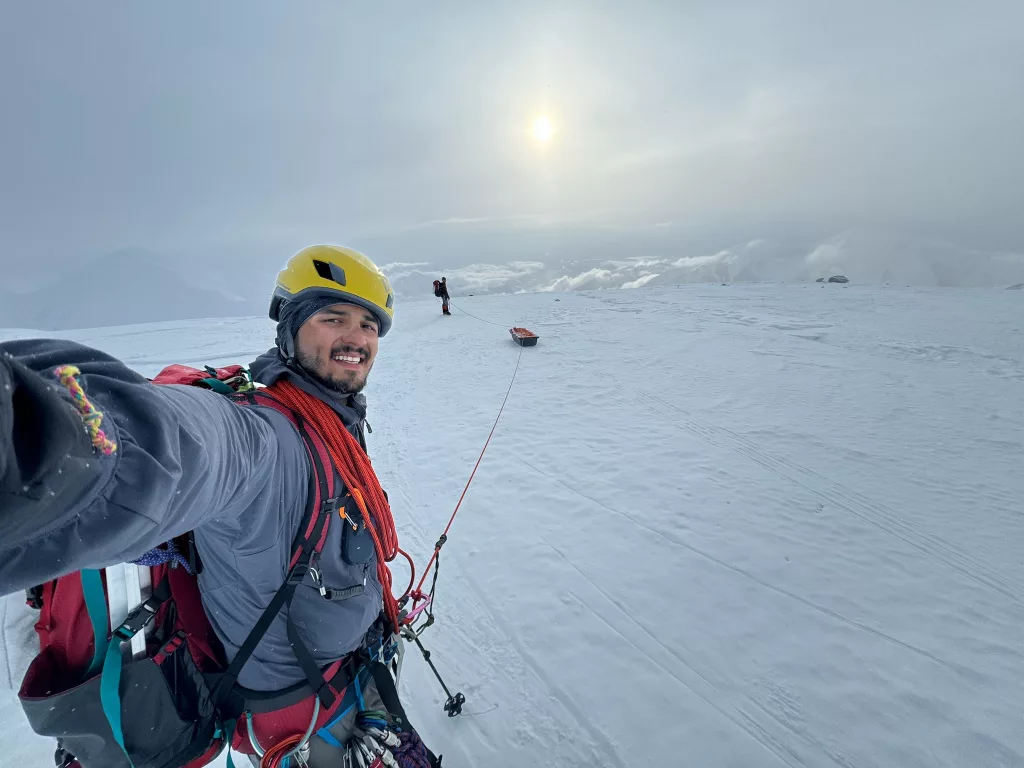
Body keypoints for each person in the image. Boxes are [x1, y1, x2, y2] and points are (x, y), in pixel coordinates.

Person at [0, 245, 439, 767]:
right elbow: (160, 444)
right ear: (291, 328)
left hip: (351, 669)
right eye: (333, 317)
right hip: (303, 716)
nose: (357, 338)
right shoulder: (262, 437)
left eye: (369, 325)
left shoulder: (333, 423)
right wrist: (43, 438)